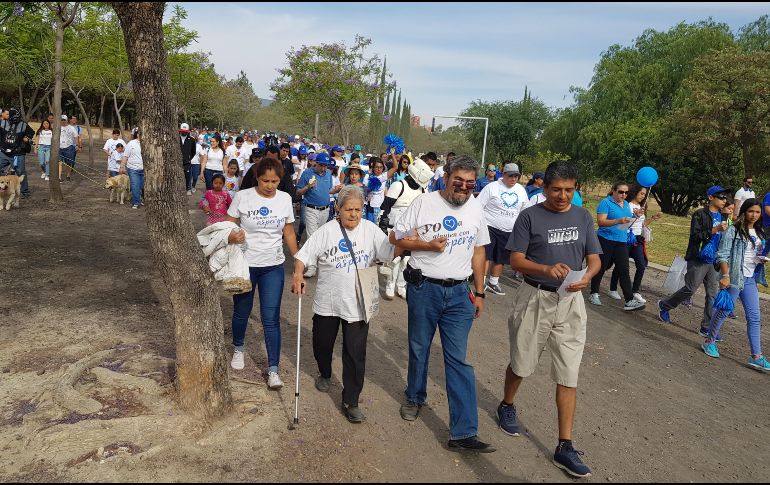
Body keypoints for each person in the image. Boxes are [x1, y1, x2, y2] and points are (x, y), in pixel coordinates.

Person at [499, 160, 602, 478]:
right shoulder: (529, 217)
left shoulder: (583, 216)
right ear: (544, 189)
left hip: (571, 303)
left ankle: (565, 445)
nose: (562, 195)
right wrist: (545, 269)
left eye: (569, 190)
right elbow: (515, 259)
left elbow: (594, 259)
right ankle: (507, 404)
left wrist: (588, 277)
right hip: (536, 297)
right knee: (521, 363)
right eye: (556, 189)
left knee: (568, 374)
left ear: (575, 189)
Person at [390, 155, 495, 453]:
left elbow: (478, 252)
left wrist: (480, 291)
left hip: (461, 294)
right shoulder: (423, 203)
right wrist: (427, 245)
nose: (463, 188)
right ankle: (414, 396)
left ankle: (463, 432)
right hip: (425, 289)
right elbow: (395, 238)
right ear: (445, 177)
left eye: (470, 184)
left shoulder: (475, 207)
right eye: (458, 181)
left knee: (458, 360)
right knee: (419, 347)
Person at [292, 185, 393, 422]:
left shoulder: (370, 230)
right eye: (349, 209)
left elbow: (389, 252)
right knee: (322, 344)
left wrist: (403, 242)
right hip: (328, 301)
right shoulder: (326, 231)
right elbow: (302, 257)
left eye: (358, 209)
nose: (354, 214)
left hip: (358, 304)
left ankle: (352, 400)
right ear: (337, 209)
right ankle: (325, 372)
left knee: (355, 354)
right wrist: (298, 274)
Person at [226, 157, 298, 388]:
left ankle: (273, 370)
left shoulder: (285, 199)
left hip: (273, 266)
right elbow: (228, 225)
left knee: (270, 318)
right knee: (241, 312)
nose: (269, 185)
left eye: (275, 181)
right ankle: (239, 348)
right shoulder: (243, 196)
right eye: (265, 180)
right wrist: (231, 235)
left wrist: (298, 260)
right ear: (256, 178)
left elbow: (288, 232)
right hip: (245, 264)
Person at [702, 198, 770, 372]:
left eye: (757, 212)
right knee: (723, 311)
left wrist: (761, 260)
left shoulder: (760, 231)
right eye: (750, 211)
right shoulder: (734, 230)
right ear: (744, 212)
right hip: (733, 277)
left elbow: (754, 254)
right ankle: (709, 341)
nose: (754, 215)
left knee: (755, 317)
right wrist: (725, 275)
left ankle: (756, 356)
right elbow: (722, 254)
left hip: (750, 279)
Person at [658, 186, 731, 335]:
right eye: (721, 197)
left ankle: (706, 327)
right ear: (711, 197)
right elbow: (695, 236)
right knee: (690, 289)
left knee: (712, 294)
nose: (724, 200)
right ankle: (665, 305)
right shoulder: (700, 214)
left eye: (725, 197)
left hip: (714, 260)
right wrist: (714, 230)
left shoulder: (724, 217)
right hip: (699, 257)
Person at [378, 158, 435, 299]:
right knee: (395, 259)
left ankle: (401, 285)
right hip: (394, 229)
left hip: (412, 232)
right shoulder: (398, 186)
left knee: (406, 260)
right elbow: (385, 209)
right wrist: (383, 229)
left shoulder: (423, 191)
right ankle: (390, 285)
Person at [588, 181, 645, 311]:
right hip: (605, 239)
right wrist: (617, 221)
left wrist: (634, 217)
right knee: (601, 267)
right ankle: (594, 293)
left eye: (626, 192)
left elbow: (625, 223)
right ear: (613, 190)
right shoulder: (605, 203)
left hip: (621, 241)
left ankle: (629, 300)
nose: (623, 195)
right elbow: (601, 222)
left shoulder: (625, 204)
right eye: (621, 192)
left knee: (624, 270)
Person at [476, 163, 529, 296]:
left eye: (516, 176)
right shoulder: (492, 187)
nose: (513, 178)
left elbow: (525, 211)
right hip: (489, 226)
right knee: (486, 255)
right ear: (503, 174)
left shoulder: (521, 190)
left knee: (501, 258)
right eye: (510, 175)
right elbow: (478, 205)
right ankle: (480, 282)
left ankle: (493, 282)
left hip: (509, 230)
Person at [607, 184, 662, 304]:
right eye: (642, 193)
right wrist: (635, 216)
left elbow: (642, 225)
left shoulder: (642, 206)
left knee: (641, 265)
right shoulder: (627, 205)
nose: (643, 196)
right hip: (626, 237)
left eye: (645, 194)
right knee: (621, 265)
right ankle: (612, 289)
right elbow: (625, 224)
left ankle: (635, 291)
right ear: (635, 192)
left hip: (638, 239)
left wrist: (652, 218)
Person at [295, 152, 335, 268]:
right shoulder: (307, 173)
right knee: (312, 237)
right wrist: (308, 187)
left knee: (321, 237)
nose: (323, 168)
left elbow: (328, 190)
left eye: (325, 166)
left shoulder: (328, 174)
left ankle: (318, 261)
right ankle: (311, 266)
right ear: (316, 163)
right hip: (311, 209)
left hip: (325, 210)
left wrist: (336, 190)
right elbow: (298, 192)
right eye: (321, 165)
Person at [0, 108, 34, 197]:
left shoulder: (23, 124)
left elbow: (31, 132)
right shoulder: (2, 123)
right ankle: (4, 186)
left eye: (17, 116)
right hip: (4, 152)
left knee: (20, 172)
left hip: (18, 153)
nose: (15, 118)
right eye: (12, 116)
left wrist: (27, 137)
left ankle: (25, 192)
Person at [119, 127, 144, 209]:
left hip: (144, 169)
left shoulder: (148, 143)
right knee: (135, 185)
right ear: (137, 134)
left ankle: (141, 198)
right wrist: (122, 166)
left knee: (142, 186)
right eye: (139, 133)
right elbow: (125, 156)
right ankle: (136, 202)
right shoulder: (131, 143)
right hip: (133, 168)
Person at [364, 157, 388, 223]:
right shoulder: (368, 177)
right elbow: (365, 190)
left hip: (379, 205)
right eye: (376, 167)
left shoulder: (384, 177)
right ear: (373, 168)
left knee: (377, 225)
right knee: (369, 224)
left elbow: (385, 191)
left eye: (381, 167)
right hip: (369, 204)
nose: (379, 169)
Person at [58, 114, 78, 182]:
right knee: (59, 162)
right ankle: (59, 177)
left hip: (69, 147)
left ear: (67, 120)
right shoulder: (58, 127)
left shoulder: (71, 127)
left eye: (64, 120)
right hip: (59, 147)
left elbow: (76, 136)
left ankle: (68, 175)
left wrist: (76, 145)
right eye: (62, 120)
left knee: (68, 163)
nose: (63, 121)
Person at [179, 123, 196, 195]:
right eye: (182, 131)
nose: (183, 133)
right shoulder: (175, 138)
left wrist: (188, 158)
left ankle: (187, 189)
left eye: (185, 132)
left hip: (187, 163)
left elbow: (193, 152)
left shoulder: (191, 140)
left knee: (187, 177)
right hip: (176, 162)